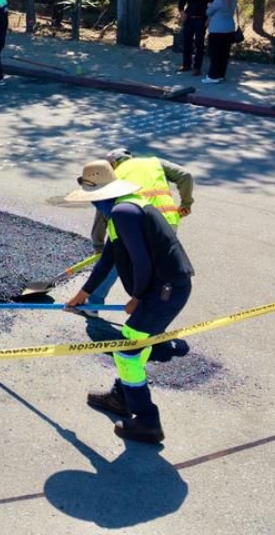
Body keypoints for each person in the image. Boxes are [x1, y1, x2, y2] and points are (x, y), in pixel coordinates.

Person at [64, 159, 195, 444]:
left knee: (127, 350)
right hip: (166, 288)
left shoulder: (124, 212)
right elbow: (108, 258)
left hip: (165, 290)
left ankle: (147, 420)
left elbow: (141, 262)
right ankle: (122, 396)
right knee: (138, 345)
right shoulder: (122, 208)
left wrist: (136, 298)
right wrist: (82, 295)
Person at [87, 148, 194, 306]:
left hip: (130, 223)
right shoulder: (154, 162)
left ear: (113, 163)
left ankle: (93, 303)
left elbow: (103, 214)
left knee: (118, 262)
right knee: (156, 266)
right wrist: (186, 203)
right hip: (166, 223)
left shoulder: (114, 176)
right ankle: (151, 304)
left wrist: (99, 245)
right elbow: (186, 176)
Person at [177, 0, 214, 75]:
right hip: (189, 19)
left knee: (199, 43)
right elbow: (181, 2)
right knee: (186, 41)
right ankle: (186, 64)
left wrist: (209, 19)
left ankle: (197, 67)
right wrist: (182, 12)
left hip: (201, 20)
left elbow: (214, 7)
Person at [203, 0, 237, 84]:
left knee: (215, 54)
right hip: (229, 29)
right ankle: (221, 74)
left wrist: (209, 6)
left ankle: (213, 76)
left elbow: (209, 12)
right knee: (224, 54)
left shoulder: (219, 0)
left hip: (217, 30)